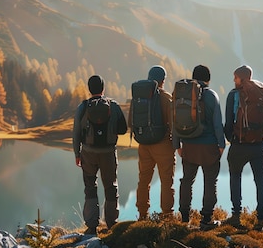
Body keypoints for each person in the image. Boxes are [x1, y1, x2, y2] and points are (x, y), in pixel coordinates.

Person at [223, 65, 263, 231]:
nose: (234, 80)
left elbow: (228, 122)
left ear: (242, 78)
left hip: (239, 145)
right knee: (260, 181)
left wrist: (232, 138)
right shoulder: (261, 95)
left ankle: (236, 216)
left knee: (235, 178)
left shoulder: (233, 95)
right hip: (258, 146)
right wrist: (261, 130)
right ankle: (261, 220)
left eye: (235, 77)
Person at [73, 75, 128, 235]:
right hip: (108, 153)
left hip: (88, 153)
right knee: (111, 187)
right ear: (103, 88)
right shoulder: (113, 106)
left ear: (89, 89)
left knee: (90, 187)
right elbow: (123, 129)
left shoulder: (83, 107)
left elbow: (76, 133)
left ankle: (91, 226)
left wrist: (77, 153)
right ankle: (111, 223)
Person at [173, 65, 226, 230]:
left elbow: (175, 120)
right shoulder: (211, 95)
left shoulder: (182, 93)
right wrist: (221, 145)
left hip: (188, 145)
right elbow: (217, 123)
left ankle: (184, 218)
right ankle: (206, 220)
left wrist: (177, 145)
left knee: (187, 181)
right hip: (209, 146)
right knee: (210, 182)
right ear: (208, 79)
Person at [133, 65, 176, 220]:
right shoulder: (166, 98)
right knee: (166, 181)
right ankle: (167, 216)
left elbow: (132, 119)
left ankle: (142, 215)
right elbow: (173, 123)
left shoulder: (139, 95)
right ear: (163, 80)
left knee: (143, 179)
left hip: (143, 144)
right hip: (163, 144)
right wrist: (176, 144)